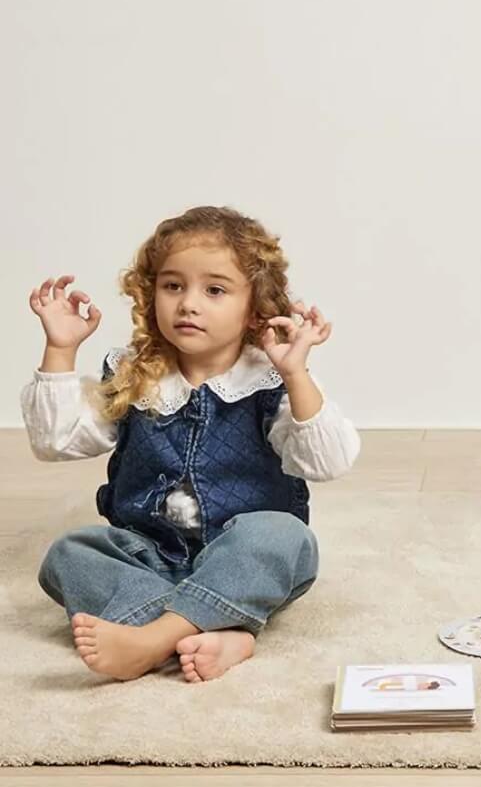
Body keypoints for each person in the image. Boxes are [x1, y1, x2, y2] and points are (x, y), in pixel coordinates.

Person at [21, 205, 360, 682]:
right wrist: (61, 349)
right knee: (69, 554)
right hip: (149, 556)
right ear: (150, 292)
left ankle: (154, 639)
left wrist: (296, 373)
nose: (188, 303)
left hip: (239, 557)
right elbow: (56, 442)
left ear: (253, 309)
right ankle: (220, 631)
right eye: (172, 285)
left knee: (284, 537)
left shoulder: (268, 378)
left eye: (215, 290)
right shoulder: (133, 374)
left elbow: (327, 461)